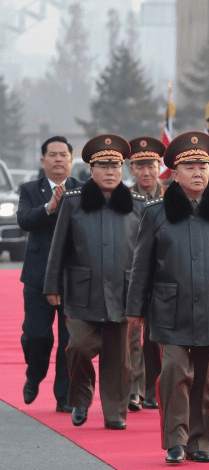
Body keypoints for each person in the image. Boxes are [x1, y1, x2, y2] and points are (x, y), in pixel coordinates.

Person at [127, 132, 209, 465]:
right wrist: (135, 308)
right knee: (174, 370)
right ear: (172, 172)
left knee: (206, 381)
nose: (198, 173)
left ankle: (201, 442)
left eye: (202, 166)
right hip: (169, 309)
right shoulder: (156, 213)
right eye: (189, 167)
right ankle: (175, 440)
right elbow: (141, 263)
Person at [43, 134, 144, 429]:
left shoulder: (137, 205)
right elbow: (58, 247)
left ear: (123, 169)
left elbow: (146, 254)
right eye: (104, 166)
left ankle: (115, 413)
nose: (111, 172)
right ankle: (81, 397)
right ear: (91, 169)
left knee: (119, 359)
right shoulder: (74, 203)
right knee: (77, 348)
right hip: (81, 293)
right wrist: (52, 286)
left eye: (116, 166)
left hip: (123, 293)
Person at [16, 136, 82, 413]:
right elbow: (24, 220)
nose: (57, 159)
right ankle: (34, 375)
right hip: (38, 277)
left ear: (70, 159)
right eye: (52, 155)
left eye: (62, 155)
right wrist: (49, 208)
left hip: (73, 279)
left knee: (70, 342)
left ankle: (64, 396)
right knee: (37, 336)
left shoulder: (83, 190)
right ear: (43, 161)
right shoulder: (31, 189)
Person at [126, 135, 166, 411]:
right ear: (131, 169)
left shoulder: (173, 195)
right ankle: (135, 391)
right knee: (131, 338)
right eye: (140, 166)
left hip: (164, 277)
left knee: (157, 338)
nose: (146, 171)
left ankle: (154, 389)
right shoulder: (122, 199)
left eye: (151, 165)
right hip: (131, 276)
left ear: (159, 166)